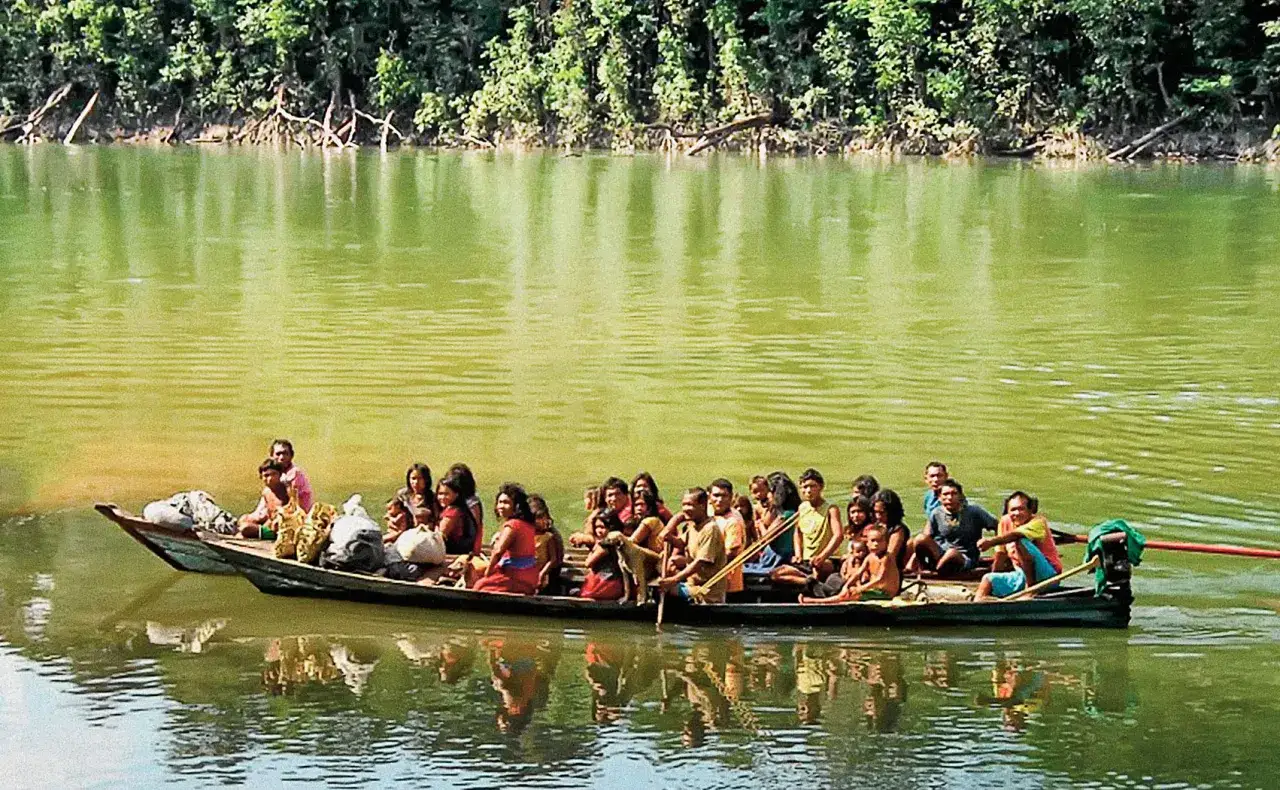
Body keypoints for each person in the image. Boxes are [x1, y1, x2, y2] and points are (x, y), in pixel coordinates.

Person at [975, 492, 1063, 600]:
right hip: (1021, 575)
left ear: (1030, 511)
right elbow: (1001, 554)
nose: (1016, 513)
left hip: (1048, 577)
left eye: (1021, 509)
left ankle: (1030, 590)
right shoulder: (1005, 522)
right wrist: (994, 578)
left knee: (1020, 541)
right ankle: (974, 609)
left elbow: (1015, 536)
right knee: (987, 579)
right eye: (1012, 510)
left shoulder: (1038, 522)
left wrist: (990, 542)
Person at [907, 478, 998, 576]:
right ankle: (924, 569)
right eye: (945, 494)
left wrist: (997, 549)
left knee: (952, 553)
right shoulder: (936, 513)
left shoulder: (974, 511)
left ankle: (936, 573)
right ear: (939, 498)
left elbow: (998, 526)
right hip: (941, 554)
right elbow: (926, 536)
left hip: (964, 557)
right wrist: (912, 562)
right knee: (919, 539)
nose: (949, 497)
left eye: (953, 494)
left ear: (960, 496)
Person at [771, 468, 843, 587]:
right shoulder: (802, 508)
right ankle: (809, 581)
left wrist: (822, 556)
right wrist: (798, 553)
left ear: (821, 487)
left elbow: (838, 535)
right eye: (804, 487)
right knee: (776, 574)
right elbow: (797, 532)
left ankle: (813, 579)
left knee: (819, 567)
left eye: (812, 486)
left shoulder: (831, 509)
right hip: (806, 561)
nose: (808, 491)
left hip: (827, 559)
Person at [658, 488, 728, 604]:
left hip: (705, 591)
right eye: (683, 505)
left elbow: (700, 563)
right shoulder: (693, 524)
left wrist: (674, 580)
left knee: (662, 591)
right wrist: (670, 536)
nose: (685, 509)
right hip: (691, 585)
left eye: (689, 505)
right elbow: (681, 543)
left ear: (702, 505)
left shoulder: (710, 529)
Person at [798, 525, 900, 603]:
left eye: (880, 541)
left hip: (885, 593)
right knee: (848, 590)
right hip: (874, 590)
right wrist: (846, 585)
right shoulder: (870, 557)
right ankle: (824, 599)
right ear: (867, 543)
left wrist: (860, 589)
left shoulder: (887, 558)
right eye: (873, 541)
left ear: (886, 543)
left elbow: (880, 579)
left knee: (853, 594)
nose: (876, 544)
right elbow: (858, 573)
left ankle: (815, 601)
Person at [473, 483, 540, 595]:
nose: (501, 506)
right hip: (529, 576)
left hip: (517, 576)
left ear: (516, 506)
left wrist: (487, 573)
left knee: (479, 586)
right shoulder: (528, 525)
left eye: (506, 503)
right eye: (499, 502)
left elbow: (498, 552)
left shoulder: (513, 525)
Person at [742, 472, 800, 574]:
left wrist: (760, 525)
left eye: (769, 491)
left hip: (777, 558)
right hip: (771, 556)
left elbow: (767, 538)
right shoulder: (787, 511)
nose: (767, 495)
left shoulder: (786, 515)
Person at [708, 479, 749, 598]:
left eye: (724, 496)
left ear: (731, 497)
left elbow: (731, 553)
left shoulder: (733, 521)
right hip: (710, 579)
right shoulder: (710, 513)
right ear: (709, 497)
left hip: (725, 582)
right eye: (716, 495)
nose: (719, 500)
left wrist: (704, 565)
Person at [580, 509, 628, 600]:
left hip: (606, 584)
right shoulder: (618, 541)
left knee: (582, 591)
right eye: (597, 527)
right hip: (615, 583)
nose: (599, 531)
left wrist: (593, 549)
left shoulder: (604, 546)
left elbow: (588, 563)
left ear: (611, 527)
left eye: (603, 527)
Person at [238, 458, 290, 538]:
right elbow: (269, 515)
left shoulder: (287, 491)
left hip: (281, 531)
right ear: (261, 477)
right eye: (266, 475)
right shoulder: (266, 492)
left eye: (274, 474)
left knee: (245, 528)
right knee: (243, 519)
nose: (270, 479)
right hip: (270, 526)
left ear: (280, 475)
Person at [529, 494, 564, 594]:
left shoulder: (550, 536)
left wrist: (542, 573)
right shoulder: (529, 532)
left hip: (547, 573)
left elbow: (555, 560)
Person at [436, 475, 480, 555]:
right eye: (440, 494)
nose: (442, 497)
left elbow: (439, 537)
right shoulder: (461, 508)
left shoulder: (453, 512)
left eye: (446, 494)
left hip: (453, 554)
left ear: (456, 494)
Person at [871, 489, 911, 573]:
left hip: (890, 570)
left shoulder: (898, 529)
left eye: (882, 513)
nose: (878, 516)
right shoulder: (876, 526)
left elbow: (890, 556)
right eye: (876, 512)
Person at [447, 463, 485, 552]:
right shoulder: (450, 499)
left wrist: (476, 550)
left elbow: (478, 526)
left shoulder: (472, 502)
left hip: (464, 544)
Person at [270, 439, 314, 511]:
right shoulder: (274, 473)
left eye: (285, 454)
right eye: (278, 454)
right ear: (271, 456)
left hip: (299, 514)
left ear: (291, 455)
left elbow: (293, 504)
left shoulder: (294, 474)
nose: (282, 458)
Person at [628, 488, 667, 553]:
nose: (639, 508)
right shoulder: (637, 521)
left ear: (650, 507)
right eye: (636, 505)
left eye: (642, 504)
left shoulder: (650, 520)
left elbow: (632, 541)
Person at [396, 463, 435, 528]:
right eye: (413, 478)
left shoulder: (432, 498)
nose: (416, 482)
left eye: (420, 478)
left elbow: (435, 520)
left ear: (426, 479)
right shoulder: (403, 495)